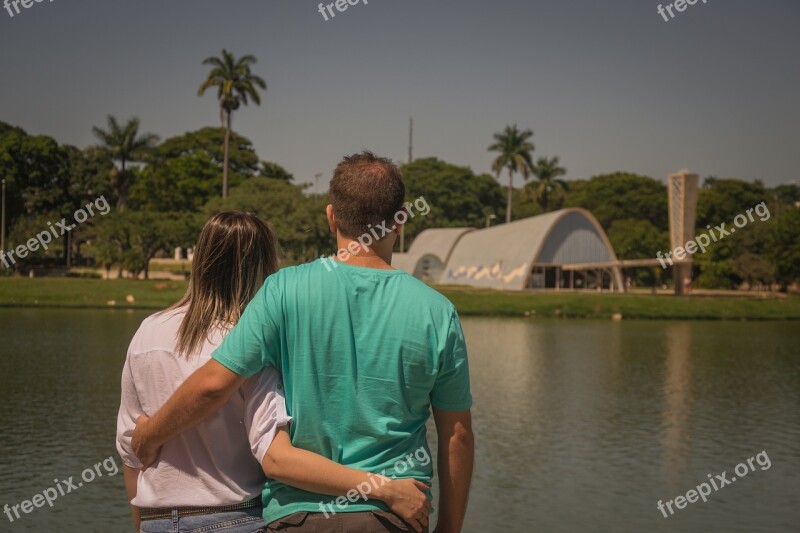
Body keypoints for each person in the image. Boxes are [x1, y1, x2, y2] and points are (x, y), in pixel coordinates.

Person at [132, 152, 475, 532]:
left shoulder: (283, 290)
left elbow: (213, 385)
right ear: (400, 220)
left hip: (299, 518)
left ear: (331, 216)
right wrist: (449, 528)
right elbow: (457, 435)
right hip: (393, 517)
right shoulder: (438, 312)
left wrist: (150, 433)